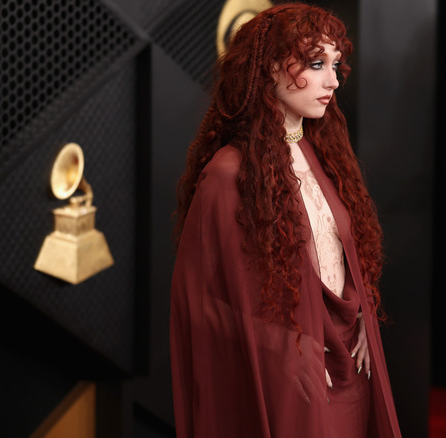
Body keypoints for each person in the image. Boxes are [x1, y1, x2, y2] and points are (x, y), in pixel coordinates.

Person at [169, 4, 401, 437]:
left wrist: (362, 311)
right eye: (316, 64)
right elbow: (197, 302)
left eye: (335, 65)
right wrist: (280, 347)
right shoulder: (228, 174)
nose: (333, 81)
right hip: (291, 384)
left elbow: (342, 256)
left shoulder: (326, 156)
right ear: (271, 67)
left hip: (350, 367)